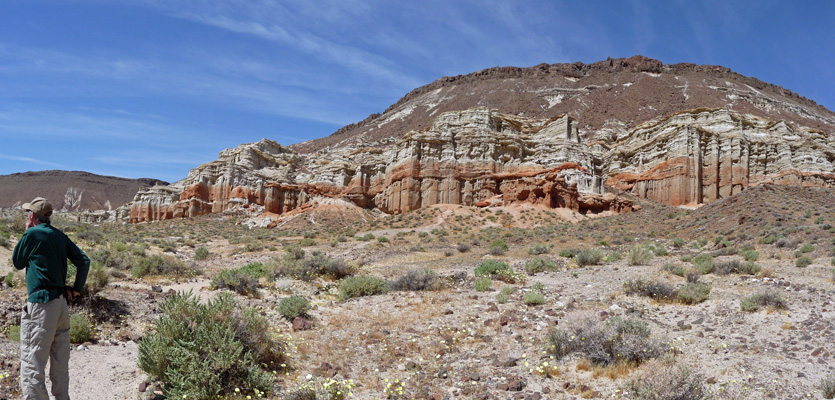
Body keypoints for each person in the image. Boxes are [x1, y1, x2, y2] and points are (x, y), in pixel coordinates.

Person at [12, 197, 90, 400]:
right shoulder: (59, 235)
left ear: (33, 216)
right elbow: (84, 261)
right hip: (61, 306)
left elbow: (18, 262)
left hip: (41, 306)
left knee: (32, 364)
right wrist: (76, 288)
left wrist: (26, 230)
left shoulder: (33, 233)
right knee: (60, 363)